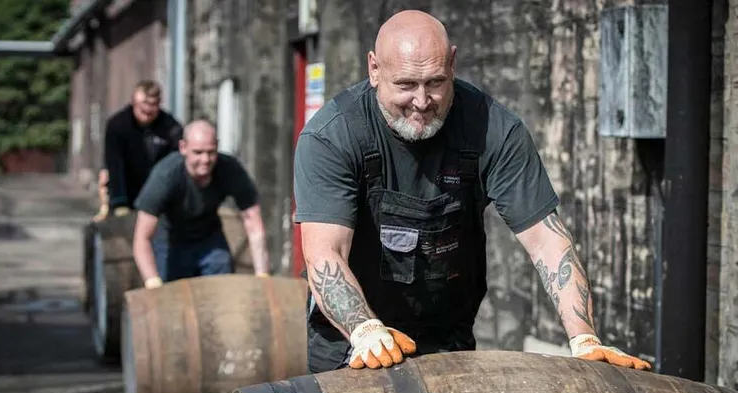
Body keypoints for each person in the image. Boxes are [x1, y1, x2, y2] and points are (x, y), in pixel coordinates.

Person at [293, 10, 652, 373]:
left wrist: (584, 338)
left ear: (452, 62)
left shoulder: (492, 128)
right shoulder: (332, 136)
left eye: (435, 82)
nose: (421, 101)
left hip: (446, 342)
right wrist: (365, 330)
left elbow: (547, 241)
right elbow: (325, 253)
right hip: (350, 343)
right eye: (405, 85)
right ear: (374, 69)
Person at [132, 119, 270, 289]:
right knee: (170, 300)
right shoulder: (165, 176)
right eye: (197, 152)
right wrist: (152, 281)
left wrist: (262, 274)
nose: (205, 159)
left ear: (217, 146)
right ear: (183, 147)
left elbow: (254, 224)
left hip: (210, 241)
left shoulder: (230, 169)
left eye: (210, 152)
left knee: (224, 291)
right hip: (171, 241)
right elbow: (141, 238)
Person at [103, 80, 184, 218]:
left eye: (153, 105)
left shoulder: (171, 128)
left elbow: (176, 165)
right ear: (133, 102)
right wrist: (119, 202)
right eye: (143, 105)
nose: (147, 110)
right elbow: (115, 165)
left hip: (159, 196)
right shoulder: (118, 126)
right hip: (127, 193)